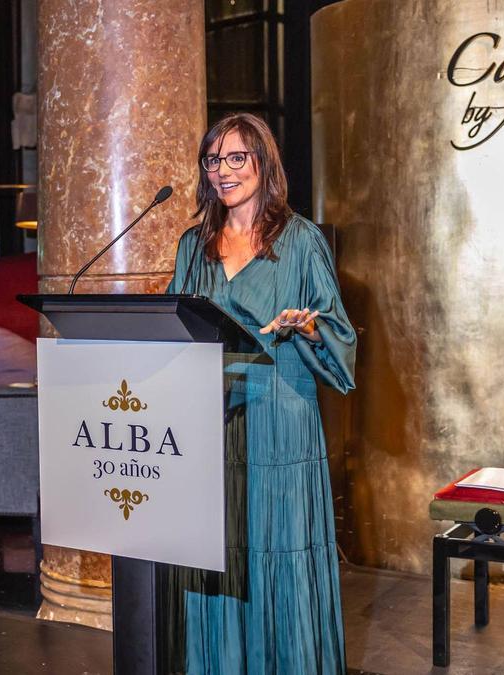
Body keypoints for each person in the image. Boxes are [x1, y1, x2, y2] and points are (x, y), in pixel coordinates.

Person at [165, 113, 356, 673]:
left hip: (279, 420)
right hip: (210, 422)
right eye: (213, 160)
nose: (222, 171)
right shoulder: (192, 245)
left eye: (236, 158)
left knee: (276, 555)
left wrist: (309, 324)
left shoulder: (300, 241)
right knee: (214, 557)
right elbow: (172, 325)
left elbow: (341, 333)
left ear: (264, 163)